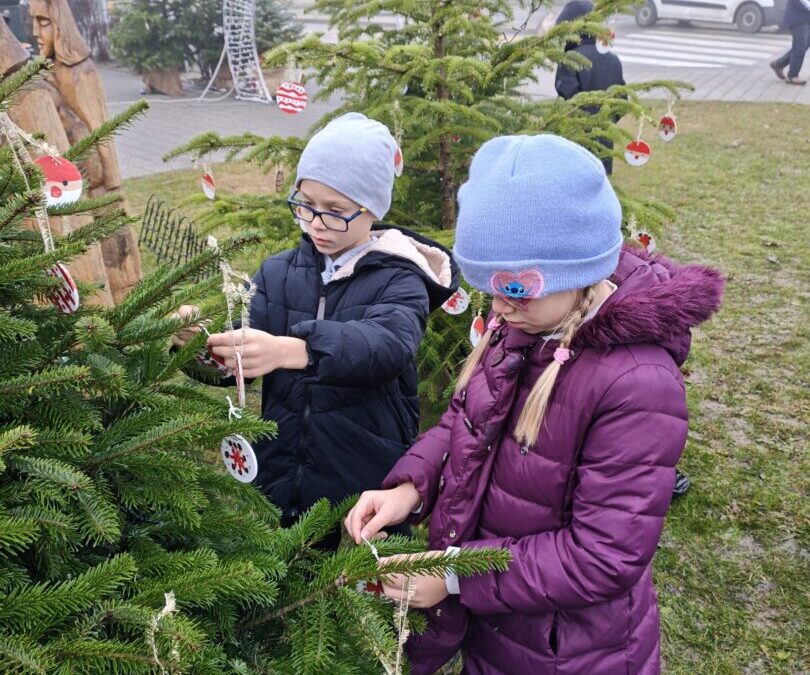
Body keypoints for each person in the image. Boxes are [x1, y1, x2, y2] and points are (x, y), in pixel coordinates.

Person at [346, 134, 724, 674]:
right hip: (498, 625)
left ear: (573, 271)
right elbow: (466, 419)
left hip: (567, 651)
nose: (497, 308)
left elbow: (602, 555)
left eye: (513, 290)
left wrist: (452, 575)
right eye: (489, 288)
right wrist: (410, 488)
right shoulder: (524, 324)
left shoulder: (637, 384)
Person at [173, 113, 459, 547]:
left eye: (336, 211)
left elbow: (387, 346)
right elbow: (245, 351)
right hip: (282, 470)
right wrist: (198, 344)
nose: (317, 222)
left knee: (358, 592)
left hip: (363, 479)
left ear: (373, 208)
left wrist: (298, 350)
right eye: (306, 205)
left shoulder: (400, 278)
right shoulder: (279, 272)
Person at [554, 0, 625, 174]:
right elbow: (622, 99)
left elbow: (567, 97)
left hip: (577, 139)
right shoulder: (613, 60)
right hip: (605, 139)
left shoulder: (571, 58)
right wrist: (606, 121)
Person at [770, 0, 810, 85]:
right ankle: (792, 75)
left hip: (805, 18)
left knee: (803, 45)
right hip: (798, 18)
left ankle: (779, 63)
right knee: (800, 46)